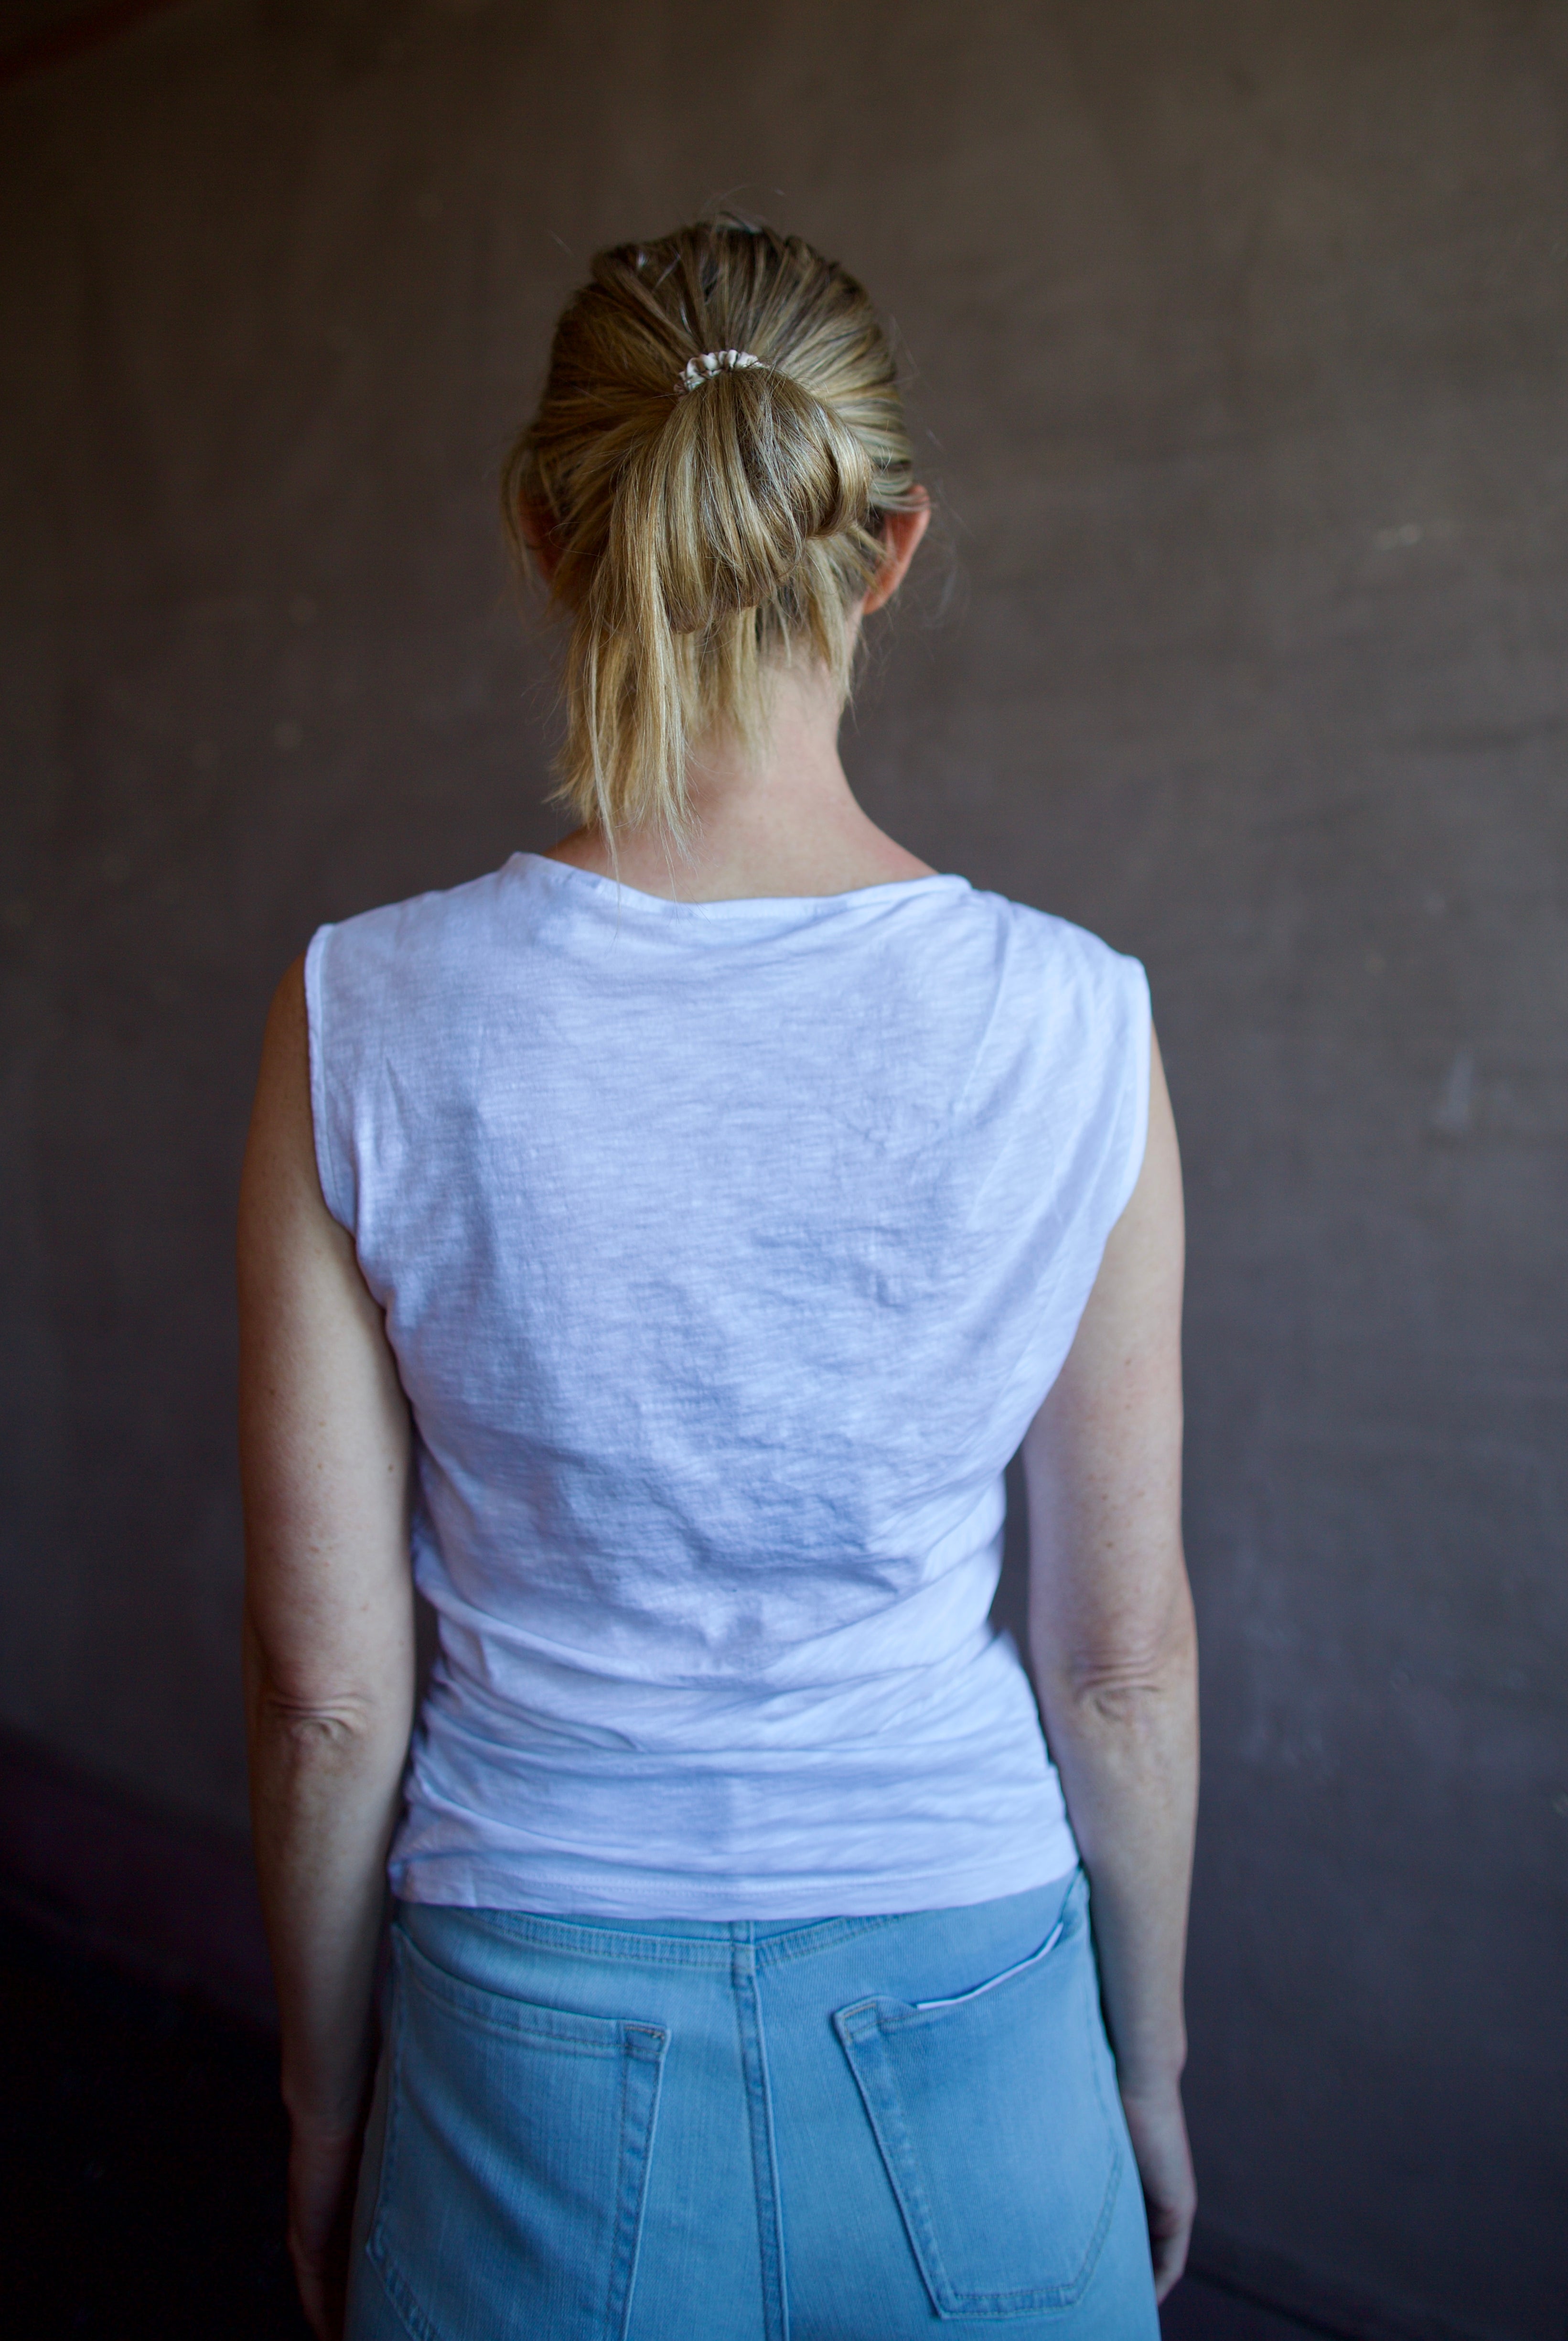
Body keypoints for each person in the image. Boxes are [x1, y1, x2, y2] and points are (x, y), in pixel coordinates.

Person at [238, 217, 1198, 2341]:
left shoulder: (362, 1010)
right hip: (975, 2013)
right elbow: (1116, 1666)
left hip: (523, 2050)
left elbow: (326, 1702)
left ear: (538, 526)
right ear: (887, 545)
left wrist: (324, 2110)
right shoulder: (1076, 1021)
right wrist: (1137, 2068)